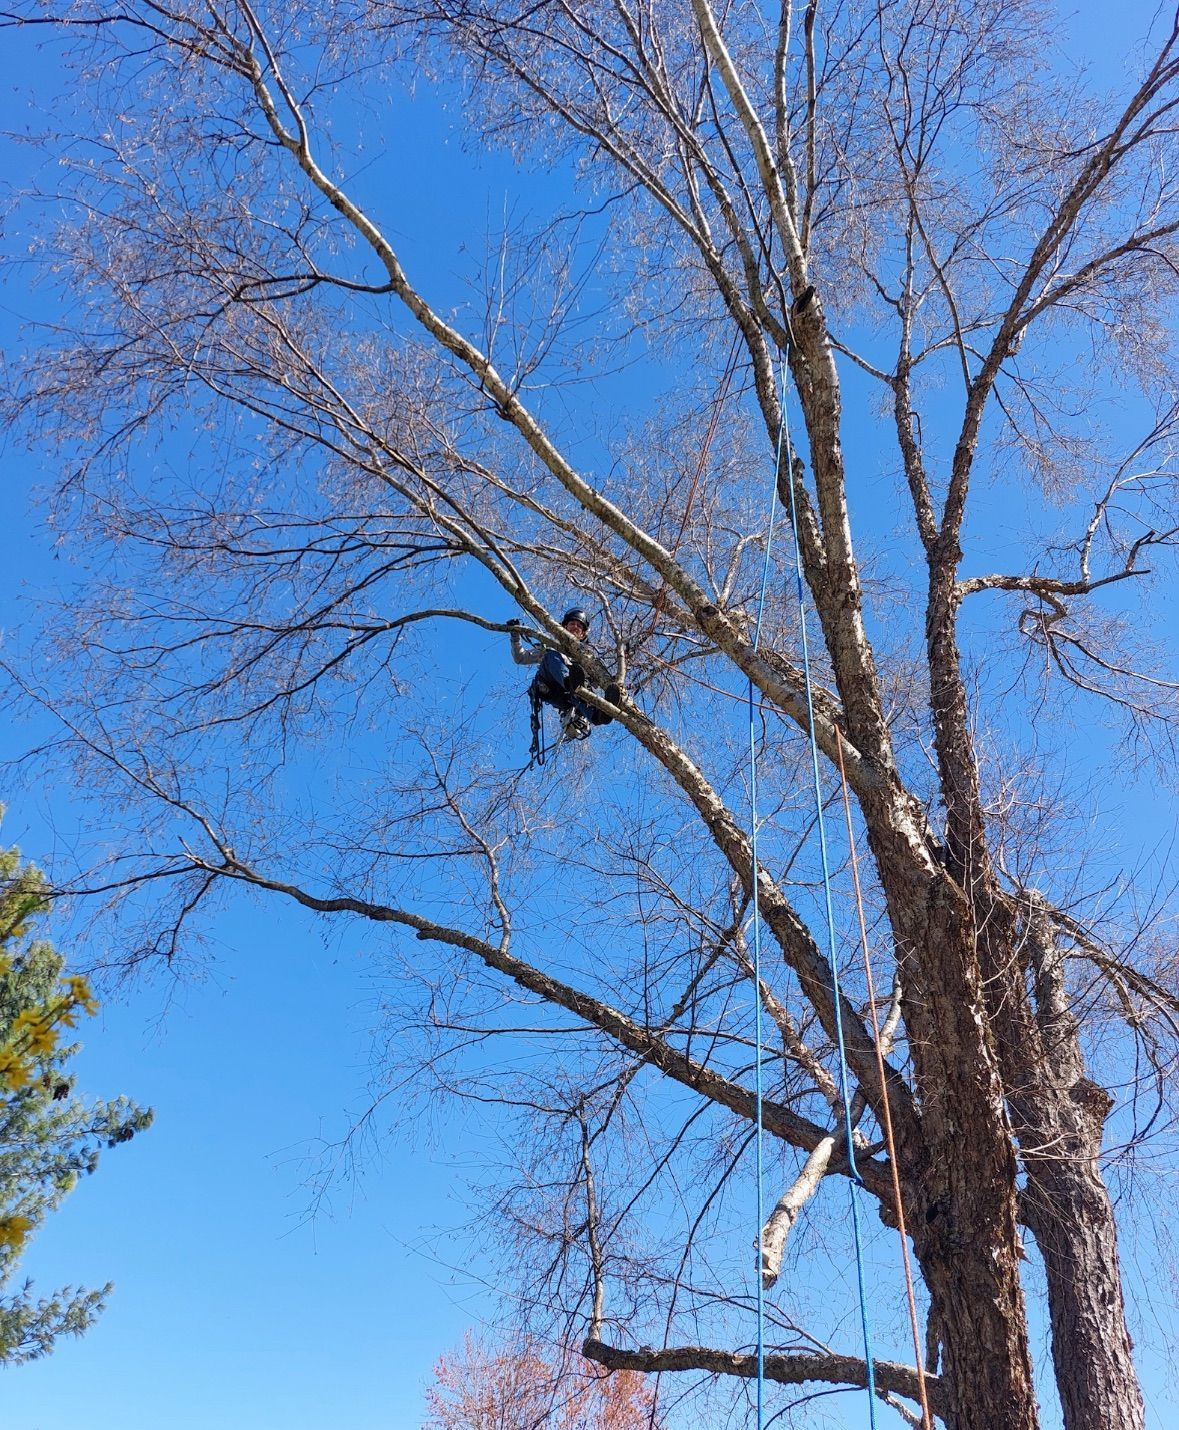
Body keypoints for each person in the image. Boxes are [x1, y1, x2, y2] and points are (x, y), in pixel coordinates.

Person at [510, 606, 620, 745]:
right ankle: (570, 682)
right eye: (572, 623)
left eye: (579, 626)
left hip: (571, 696)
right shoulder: (551, 647)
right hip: (550, 687)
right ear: (565, 626)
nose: (575, 627)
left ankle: (598, 715)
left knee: (583, 689)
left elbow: (596, 682)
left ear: (583, 633)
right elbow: (520, 658)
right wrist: (515, 637)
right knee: (551, 655)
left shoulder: (586, 659)